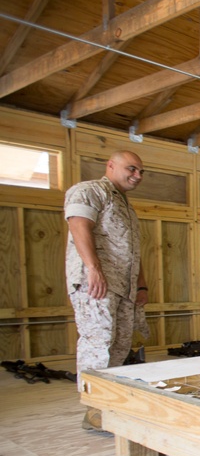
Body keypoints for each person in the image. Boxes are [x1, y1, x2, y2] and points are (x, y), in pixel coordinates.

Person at [65, 150, 148, 430]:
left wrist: (141, 284)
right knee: (97, 343)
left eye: (140, 172)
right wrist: (93, 269)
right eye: (131, 169)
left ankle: (108, 404)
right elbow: (79, 225)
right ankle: (94, 409)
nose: (137, 175)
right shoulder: (90, 191)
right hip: (97, 285)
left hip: (124, 288)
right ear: (111, 166)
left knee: (119, 345)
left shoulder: (124, 204)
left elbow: (133, 249)